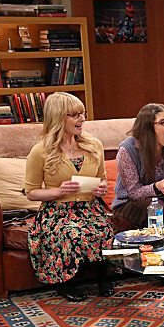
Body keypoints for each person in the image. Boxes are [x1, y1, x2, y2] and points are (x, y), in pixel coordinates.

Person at [25, 92, 114, 301]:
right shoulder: (40, 151)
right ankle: (66, 283)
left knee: (104, 230)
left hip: (89, 208)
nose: (82, 119)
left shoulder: (94, 145)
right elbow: (31, 192)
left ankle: (103, 278)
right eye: (75, 115)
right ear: (58, 118)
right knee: (71, 233)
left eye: (82, 113)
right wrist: (58, 192)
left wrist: (101, 188)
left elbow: (102, 179)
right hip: (56, 211)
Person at [112, 103, 164, 228]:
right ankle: (157, 240)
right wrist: (156, 187)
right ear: (147, 128)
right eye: (163, 123)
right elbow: (134, 192)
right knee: (158, 206)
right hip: (129, 203)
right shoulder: (127, 149)